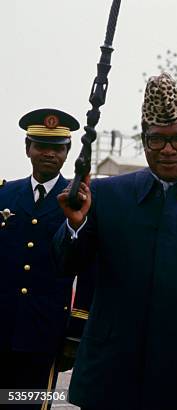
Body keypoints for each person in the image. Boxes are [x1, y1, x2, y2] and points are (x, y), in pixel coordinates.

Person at [52, 73, 177, 410]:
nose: (167, 150)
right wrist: (74, 225)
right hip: (111, 375)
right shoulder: (105, 195)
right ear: (144, 141)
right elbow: (66, 265)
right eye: (156, 140)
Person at [0, 108, 91, 410]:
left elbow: (88, 269)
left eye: (57, 148)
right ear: (28, 149)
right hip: (2, 324)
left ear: (67, 153)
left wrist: (76, 332)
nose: (49, 154)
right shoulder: (5, 195)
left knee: (29, 405)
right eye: (41, 146)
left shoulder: (80, 200)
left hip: (44, 334)